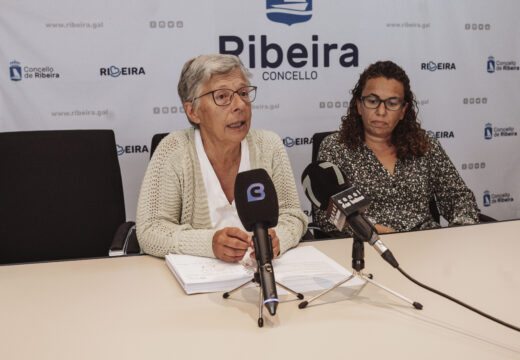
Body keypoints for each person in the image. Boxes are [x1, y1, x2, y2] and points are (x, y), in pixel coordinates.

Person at [136, 54, 307, 262]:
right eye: (223, 97)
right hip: (198, 282)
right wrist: (209, 243)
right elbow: (151, 231)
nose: (240, 105)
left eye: (243, 93)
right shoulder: (173, 150)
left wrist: (278, 237)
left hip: (262, 272)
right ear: (193, 112)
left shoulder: (268, 145)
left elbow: (293, 217)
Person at [315, 60, 480, 236]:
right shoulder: (336, 147)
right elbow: (327, 215)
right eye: (372, 101)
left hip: (426, 245)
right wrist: (366, 231)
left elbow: (459, 197)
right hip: (367, 248)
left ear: (403, 110)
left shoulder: (425, 144)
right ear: (359, 105)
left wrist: (459, 234)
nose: (381, 111)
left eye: (392, 103)